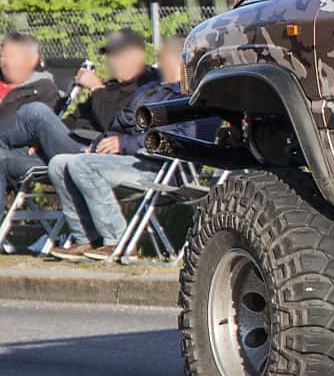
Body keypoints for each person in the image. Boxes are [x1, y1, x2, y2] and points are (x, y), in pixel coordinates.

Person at [44, 37, 211, 262]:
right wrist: (101, 143)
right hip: (133, 160)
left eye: (160, 59)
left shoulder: (195, 97)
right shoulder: (150, 91)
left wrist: (125, 144)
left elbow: (182, 139)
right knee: (59, 164)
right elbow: (119, 123)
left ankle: (117, 241)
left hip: (165, 168)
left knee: (82, 166)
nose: (156, 64)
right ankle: (85, 238)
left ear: (177, 61)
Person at [0, 31, 84, 197]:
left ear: (31, 59)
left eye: (11, 56)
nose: (4, 61)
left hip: (19, 150)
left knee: (35, 111)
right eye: (2, 55)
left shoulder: (43, 89)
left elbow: (39, 129)